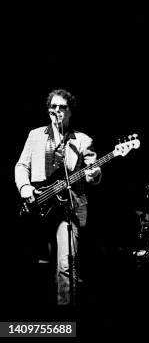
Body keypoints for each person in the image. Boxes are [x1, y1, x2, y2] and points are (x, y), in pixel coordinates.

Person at [15, 89, 101, 306]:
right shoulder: (35, 135)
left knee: (65, 265)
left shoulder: (82, 140)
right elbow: (22, 165)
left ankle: (66, 315)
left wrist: (94, 174)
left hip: (68, 208)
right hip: (38, 204)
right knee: (39, 262)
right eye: (53, 106)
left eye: (62, 107)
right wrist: (25, 189)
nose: (57, 111)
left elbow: (93, 172)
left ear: (70, 111)